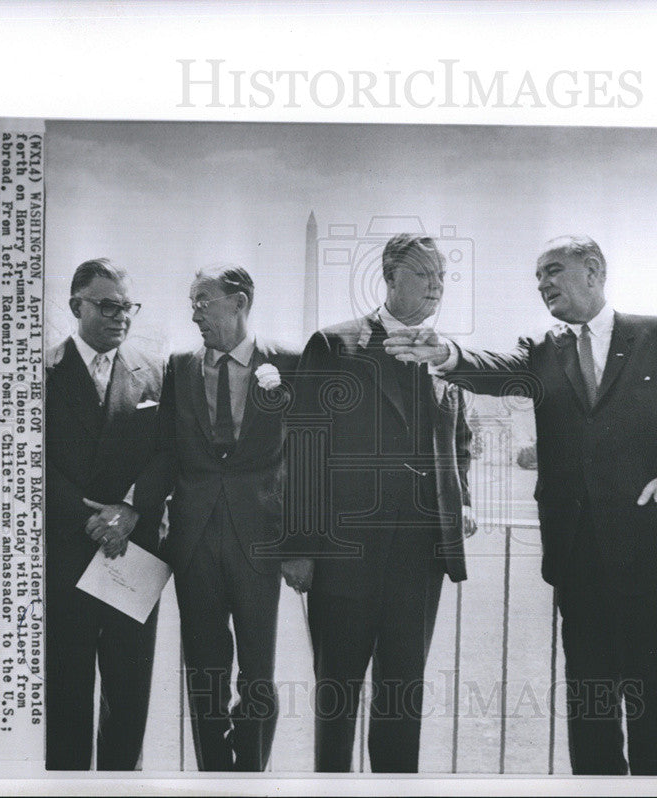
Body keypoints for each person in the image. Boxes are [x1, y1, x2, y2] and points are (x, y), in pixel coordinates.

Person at [385, 235, 657, 775]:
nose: (542, 285)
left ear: (593, 270)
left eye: (553, 271)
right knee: (589, 714)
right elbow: (493, 366)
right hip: (579, 564)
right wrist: (446, 354)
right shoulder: (545, 350)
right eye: (538, 277)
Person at [284, 233, 475, 773]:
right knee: (337, 702)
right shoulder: (334, 344)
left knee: (402, 703)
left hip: (419, 562)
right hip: (346, 559)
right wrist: (298, 548)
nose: (437, 285)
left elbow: (459, 440)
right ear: (389, 278)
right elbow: (303, 451)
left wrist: (459, 497)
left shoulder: (444, 355)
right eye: (423, 274)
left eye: (441, 276)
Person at [135, 265, 301, 771]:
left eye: (203, 301)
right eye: (192, 303)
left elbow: (307, 458)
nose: (194, 313)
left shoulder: (289, 363)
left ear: (240, 302)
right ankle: (212, 775)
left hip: (260, 544)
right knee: (204, 674)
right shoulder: (179, 367)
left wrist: (300, 544)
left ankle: (249, 772)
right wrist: (133, 510)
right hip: (195, 545)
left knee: (258, 675)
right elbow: (165, 454)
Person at [44, 258, 163, 770]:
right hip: (67, 554)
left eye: (127, 306)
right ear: (76, 306)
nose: (121, 317)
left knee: (129, 697)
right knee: (66, 695)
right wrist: (86, 517)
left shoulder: (155, 370)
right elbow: (29, 460)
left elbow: (168, 452)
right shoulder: (42, 371)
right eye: (107, 305)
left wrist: (132, 509)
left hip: (132, 554)